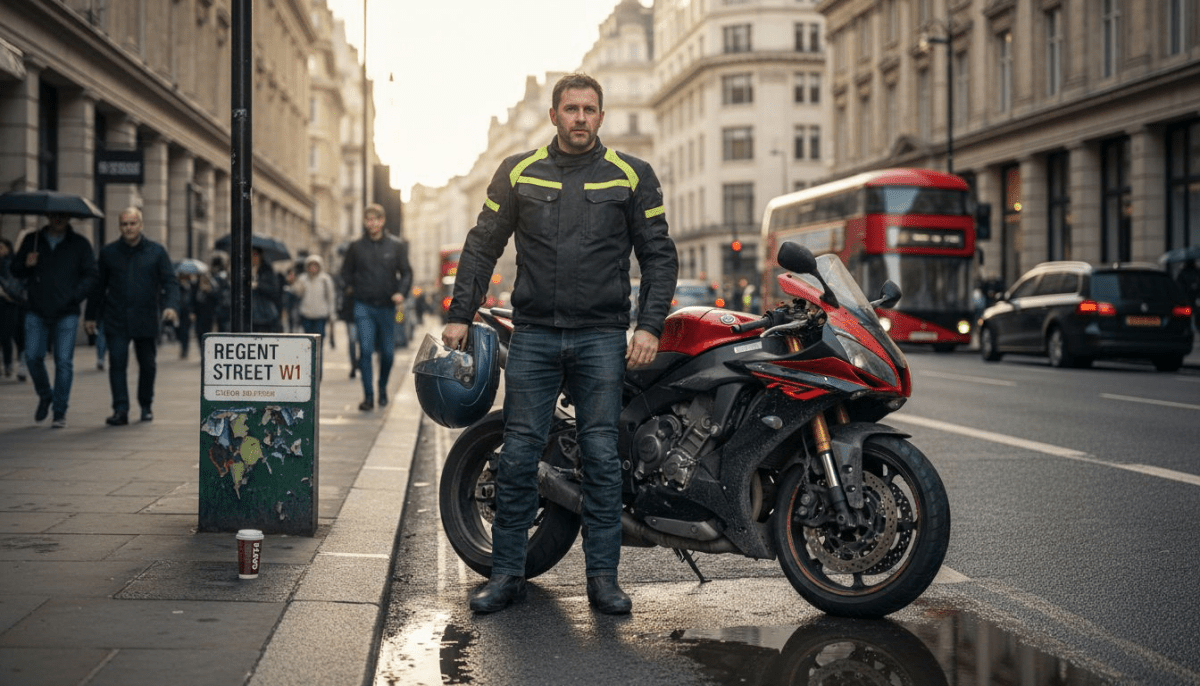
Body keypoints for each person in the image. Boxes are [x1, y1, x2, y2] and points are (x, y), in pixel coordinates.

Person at [441, 73, 678, 615]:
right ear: (553, 116)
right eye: (570, 108)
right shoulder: (519, 171)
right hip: (535, 336)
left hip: (600, 336)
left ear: (601, 116)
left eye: (589, 109)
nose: (579, 118)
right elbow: (481, 247)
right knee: (520, 454)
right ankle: (506, 576)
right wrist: (458, 314)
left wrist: (648, 326)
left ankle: (603, 581)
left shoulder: (631, 175)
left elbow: (659, 255)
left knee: (600, 456)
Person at [85, 207, 179, 426]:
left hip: (146, 317)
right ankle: (120, 409)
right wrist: (90, 316)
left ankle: (146, 405)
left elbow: (170, 282)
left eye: (132, 223)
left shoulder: (156, 252)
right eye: (124, 224)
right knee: (117, 363)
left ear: (141, 225)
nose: (128, 228)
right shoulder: (109, 253)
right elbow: (98, 287)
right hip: (116, 317)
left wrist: (171, 306)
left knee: (148, 364)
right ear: (120, 227)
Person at [11, 211, 100, 428]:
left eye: (62, 216)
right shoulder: (33, 241)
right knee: (32, 356)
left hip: (66, 312)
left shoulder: (79, 244)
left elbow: (91, 275)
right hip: (36, 309)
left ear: (69, 218)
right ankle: (45, 395)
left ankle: (59, 411)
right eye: (53, 215)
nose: (57, 219)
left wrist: (74, 296)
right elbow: (15, 270)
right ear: (47, 217)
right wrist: (26, 264)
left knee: (64, 362)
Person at [340, 203, 413, 410]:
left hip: (387, 307)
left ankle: (382, 387)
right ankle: (369, 396)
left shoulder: (396, 246)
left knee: (388, 354)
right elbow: (345, 272)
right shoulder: (356, 247)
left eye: (376, 219)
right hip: (363, 306)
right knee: (365, 350)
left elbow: (407, 272)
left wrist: (401, 292)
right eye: (368, 219)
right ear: (364, 222)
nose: (372, 223)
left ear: (382, 221)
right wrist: (350, 288)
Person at [292, 254, 337, 372]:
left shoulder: (325, 280)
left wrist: (332, 314)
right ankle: (308, 370)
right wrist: (294, 282)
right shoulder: (303, 279)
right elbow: (297, 293)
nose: (313, 268)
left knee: (318, 346)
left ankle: (318, 370)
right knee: (307, 345)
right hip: (306, 315)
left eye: (315, 265)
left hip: (320, 316)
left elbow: (331, 298)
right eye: (311, 265)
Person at [0, 237, 27, 379]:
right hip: (4, 303)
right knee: (4, 335)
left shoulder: (13, 262)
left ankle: (21, 364)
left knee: (17, 334)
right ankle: (7, 364)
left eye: (1, 247)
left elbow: (19, 283)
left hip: (14, 303)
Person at [250, 247, 283, 333]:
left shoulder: (268, 271)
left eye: (255, 255)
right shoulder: (245, 271)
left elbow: (274, 290)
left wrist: (258, 285)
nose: (253, 258)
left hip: (265, 313)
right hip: (250, 313)